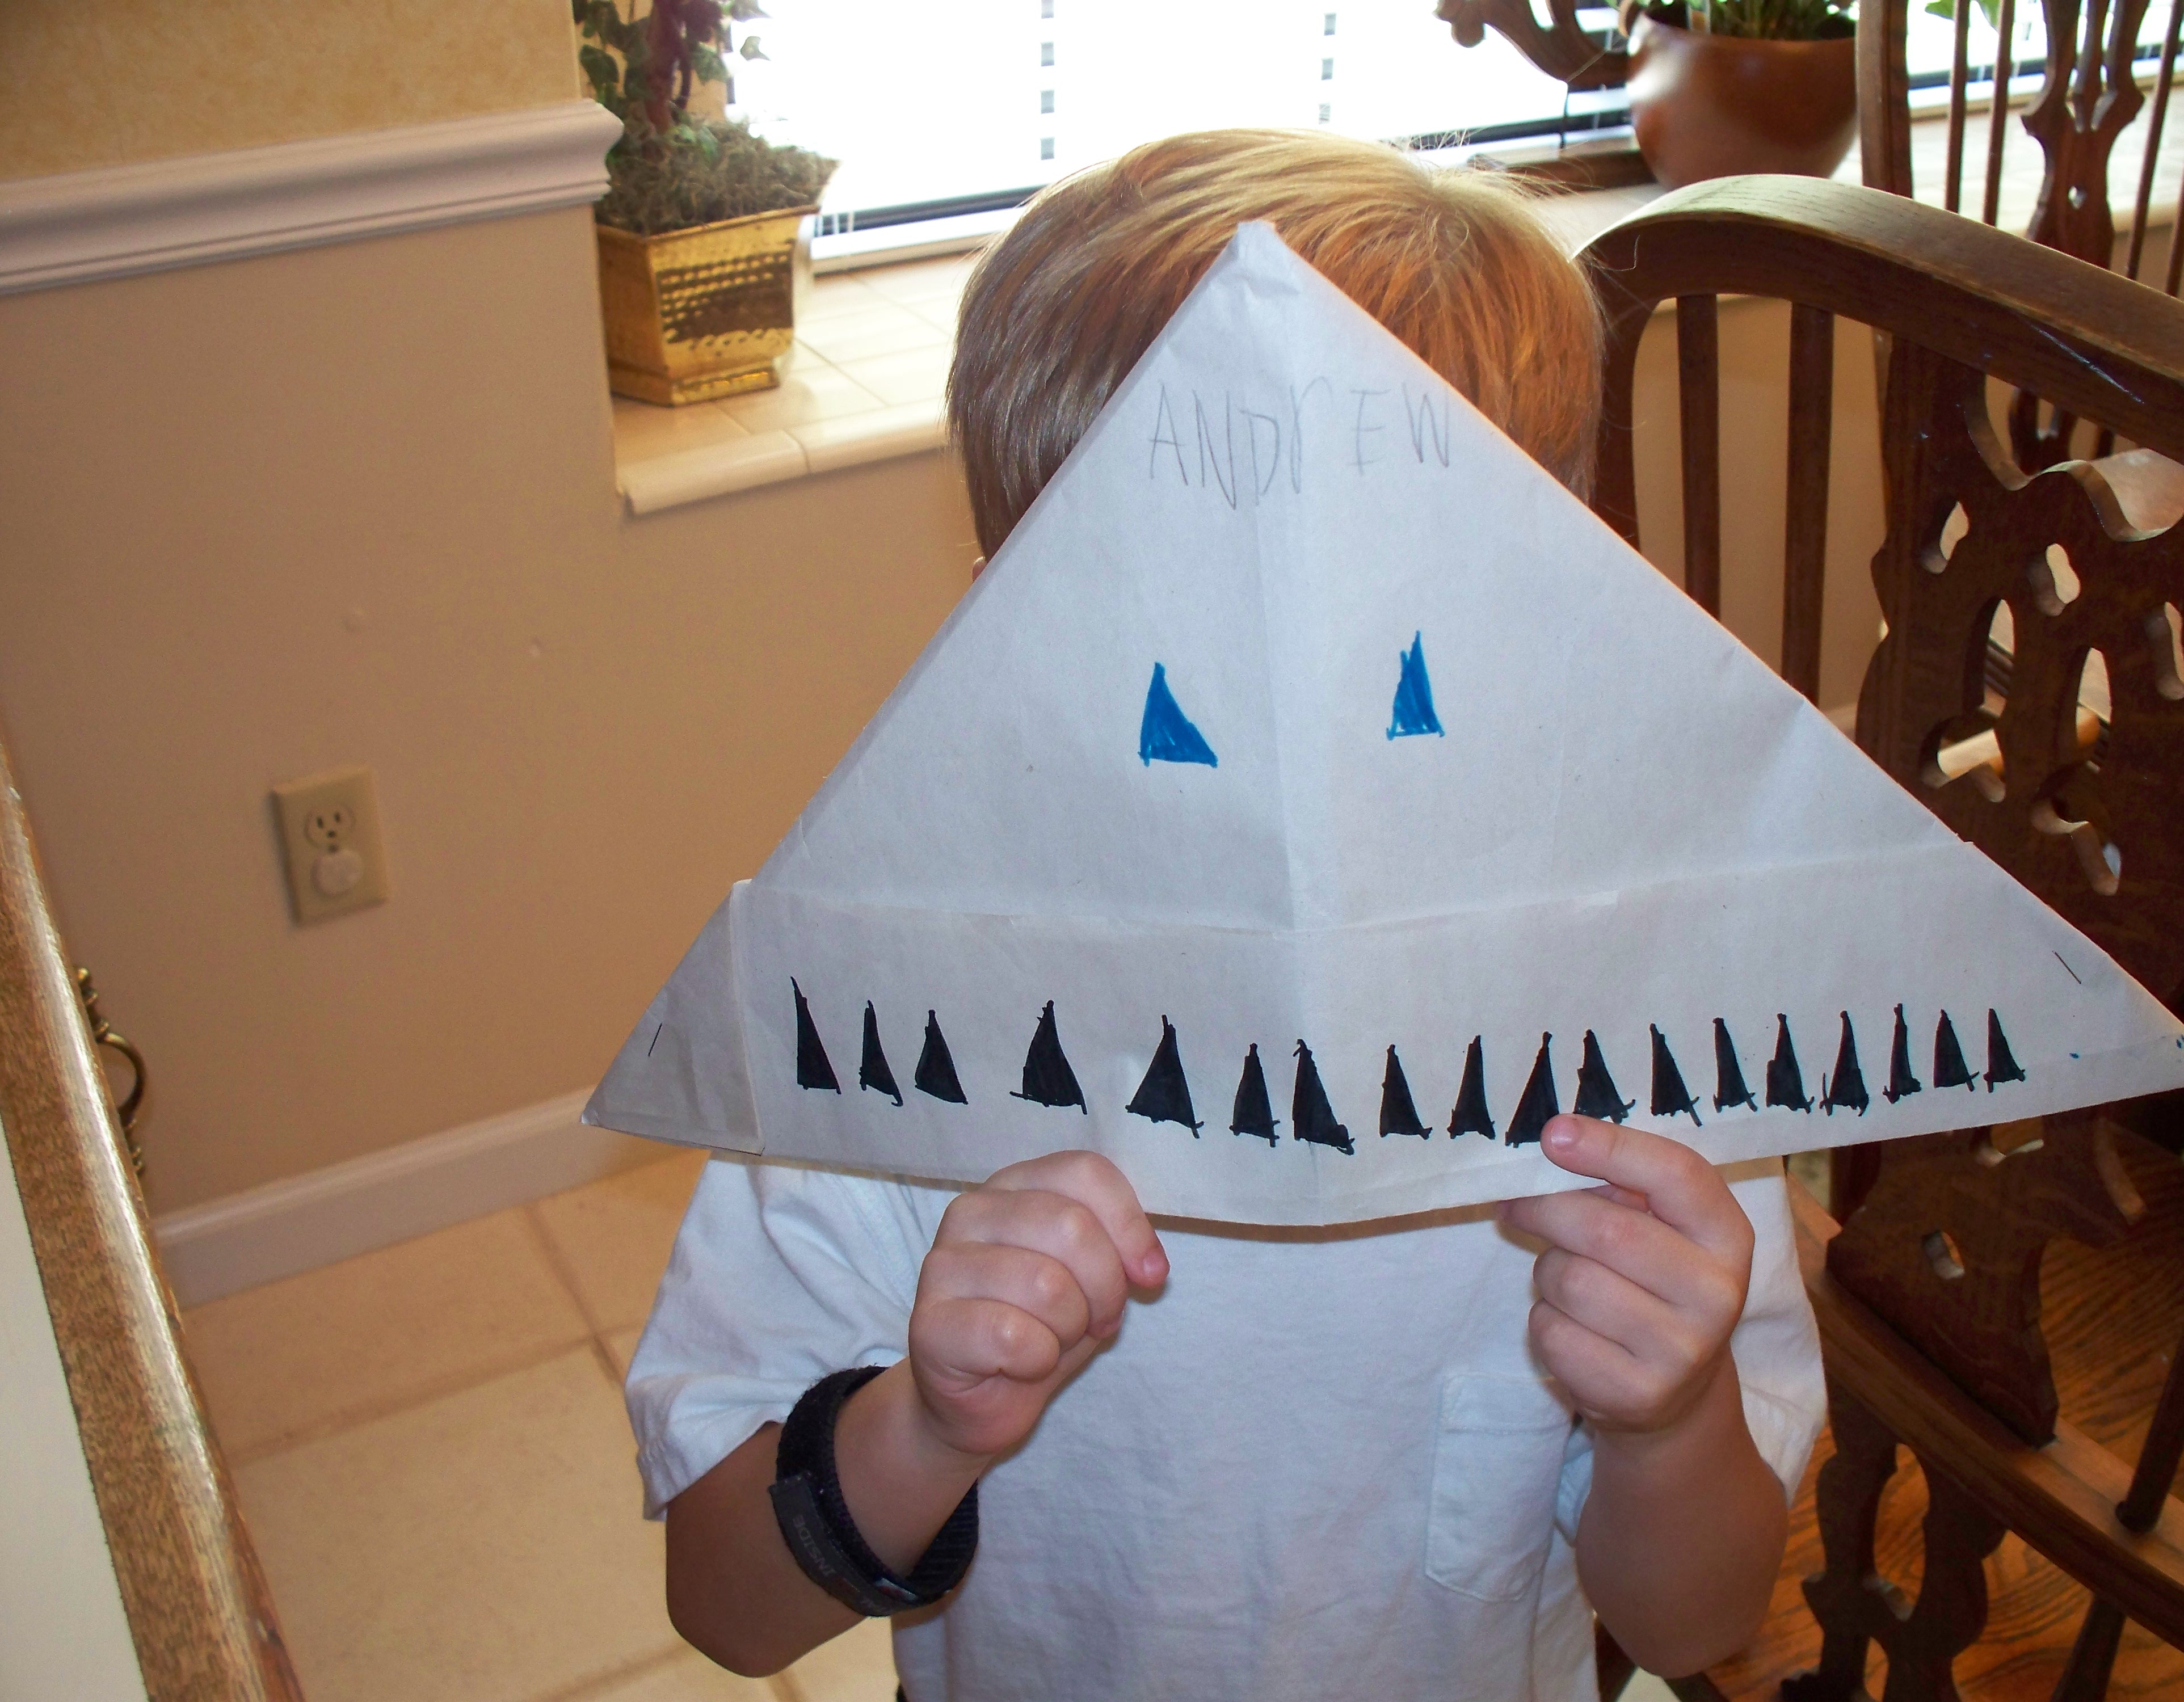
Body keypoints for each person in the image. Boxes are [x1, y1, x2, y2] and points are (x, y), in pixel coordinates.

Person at [626, 129, 1824, 1702]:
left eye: (1395, 673)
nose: (1295, 769)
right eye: (1183, 682)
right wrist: (921, 1426)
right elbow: (728, 1607)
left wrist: (1667, 1424)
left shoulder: (1645, 1051)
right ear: (1001, 632)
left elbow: (1695, 1625)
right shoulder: (892, 1028)